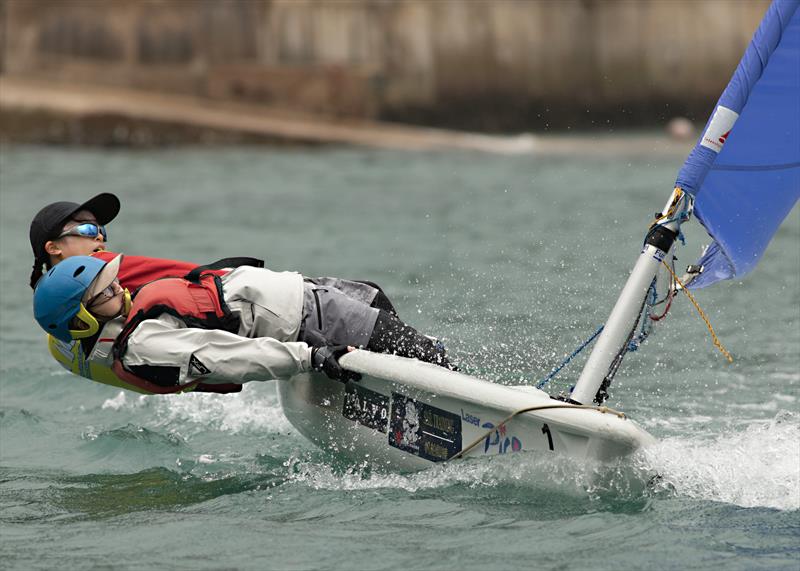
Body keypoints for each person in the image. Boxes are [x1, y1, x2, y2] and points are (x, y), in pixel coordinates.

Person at [33, 254, 453, 394]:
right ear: (83, 322)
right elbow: (232, 357)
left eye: (114, 283)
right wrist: (311, 356)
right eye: (105, 294)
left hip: (305, 294)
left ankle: (413, 393)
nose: (120, 292)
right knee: (427, 354)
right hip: (308, 322)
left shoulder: (135, 315)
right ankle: (475, 401)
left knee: (376, 294)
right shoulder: (144, 343)